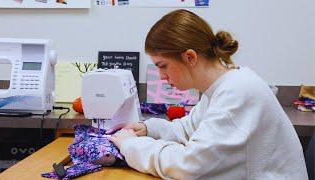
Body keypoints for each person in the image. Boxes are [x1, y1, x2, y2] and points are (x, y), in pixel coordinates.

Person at [108, 9, 308, 179]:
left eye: (163, 66)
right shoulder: (223, 87)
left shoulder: (238, 92)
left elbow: (188, 167)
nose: (161, 76)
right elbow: (189, 129)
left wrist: (132, 146)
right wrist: (147, 129)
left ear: (190, 57)